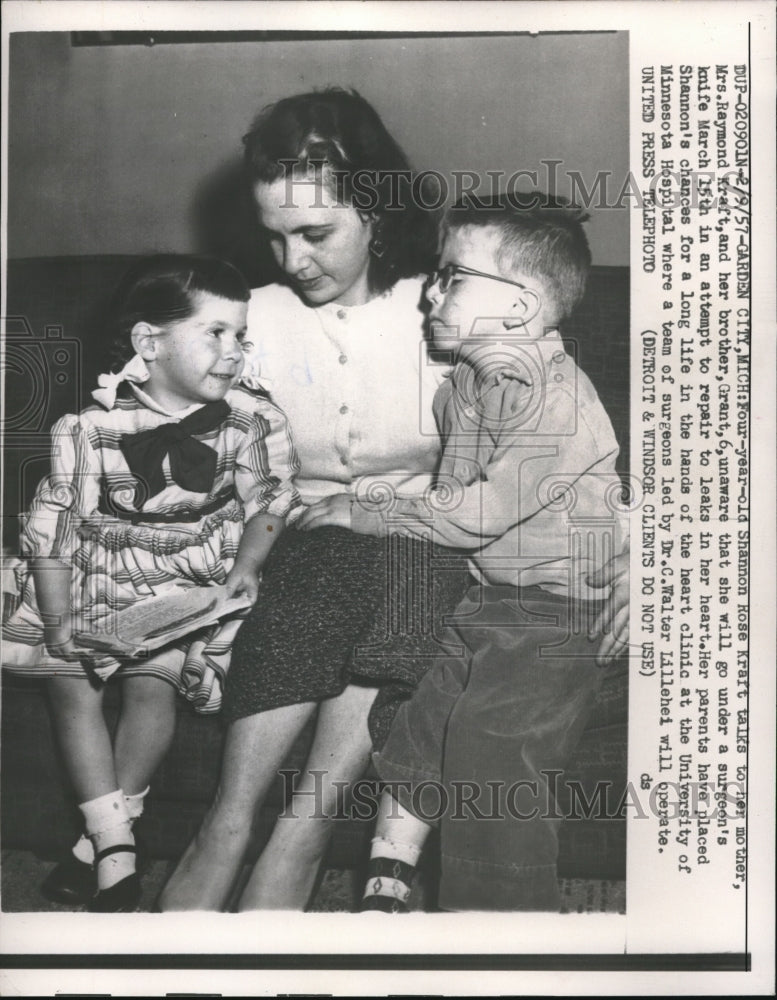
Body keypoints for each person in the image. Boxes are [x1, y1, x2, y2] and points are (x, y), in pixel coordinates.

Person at [160, 89, 630, 913]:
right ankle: (227, 826)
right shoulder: (250, 318)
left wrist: (634, 556)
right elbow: (183, 441)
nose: (290, 261)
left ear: (374, 213)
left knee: (407, 579)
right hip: (297, 538)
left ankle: (300, 834)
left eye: (314, 234)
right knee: (336, 563)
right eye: (274, 236)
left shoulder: (451, 314)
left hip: (425, 544)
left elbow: (572, 448)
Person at [306, 192, 625, 912]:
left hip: (558, 606)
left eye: (453, 276)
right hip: (483, 592)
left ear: (518, 308)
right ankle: (387, 881)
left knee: (492, 745)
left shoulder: (553, 398)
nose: (431, 291)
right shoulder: (464, 390)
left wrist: (368, 509)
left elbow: (477, 512)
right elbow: (451, 494)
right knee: (418, 710)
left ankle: (502, 926)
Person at [2, 255, 300, 911]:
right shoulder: (88, 428)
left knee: (151, 686)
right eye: (214, 333)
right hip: (95, 562)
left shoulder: (251, 419)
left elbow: (269, 506)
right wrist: (57, 622)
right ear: (148, 343)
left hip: (189, 568)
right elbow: (57, 524)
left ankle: (99, 846)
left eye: (240, 335)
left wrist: (244, 573)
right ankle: (116, 846)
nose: (233, 351)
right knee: (67, 681)